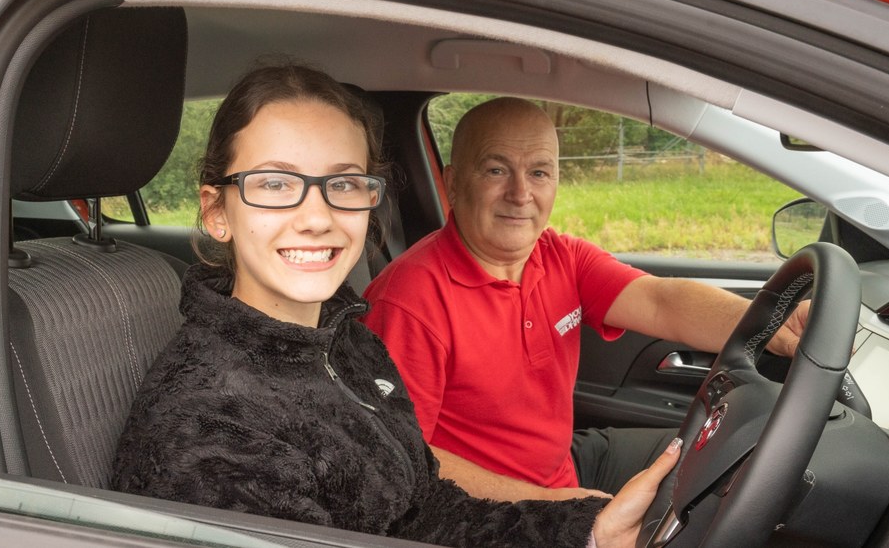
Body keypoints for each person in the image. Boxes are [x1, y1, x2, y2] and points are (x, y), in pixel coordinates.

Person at [111, 66, 681, 548]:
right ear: (216, 211)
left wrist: (586, 529)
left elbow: (421, 507)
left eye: (344, 184)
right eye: (276, 184)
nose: (316, 216)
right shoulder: (212, 433)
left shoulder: (348, 343)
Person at [363, 96, 808, 502]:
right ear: (454, 184)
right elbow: (403, 456)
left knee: (736, 453)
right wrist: (562, 506)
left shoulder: (560, 255)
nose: (521, 194)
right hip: (488, 509)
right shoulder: (409, 302)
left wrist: (775, 324)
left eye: (539, 172)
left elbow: (659, 301)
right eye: (496, 169)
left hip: (562, 468)